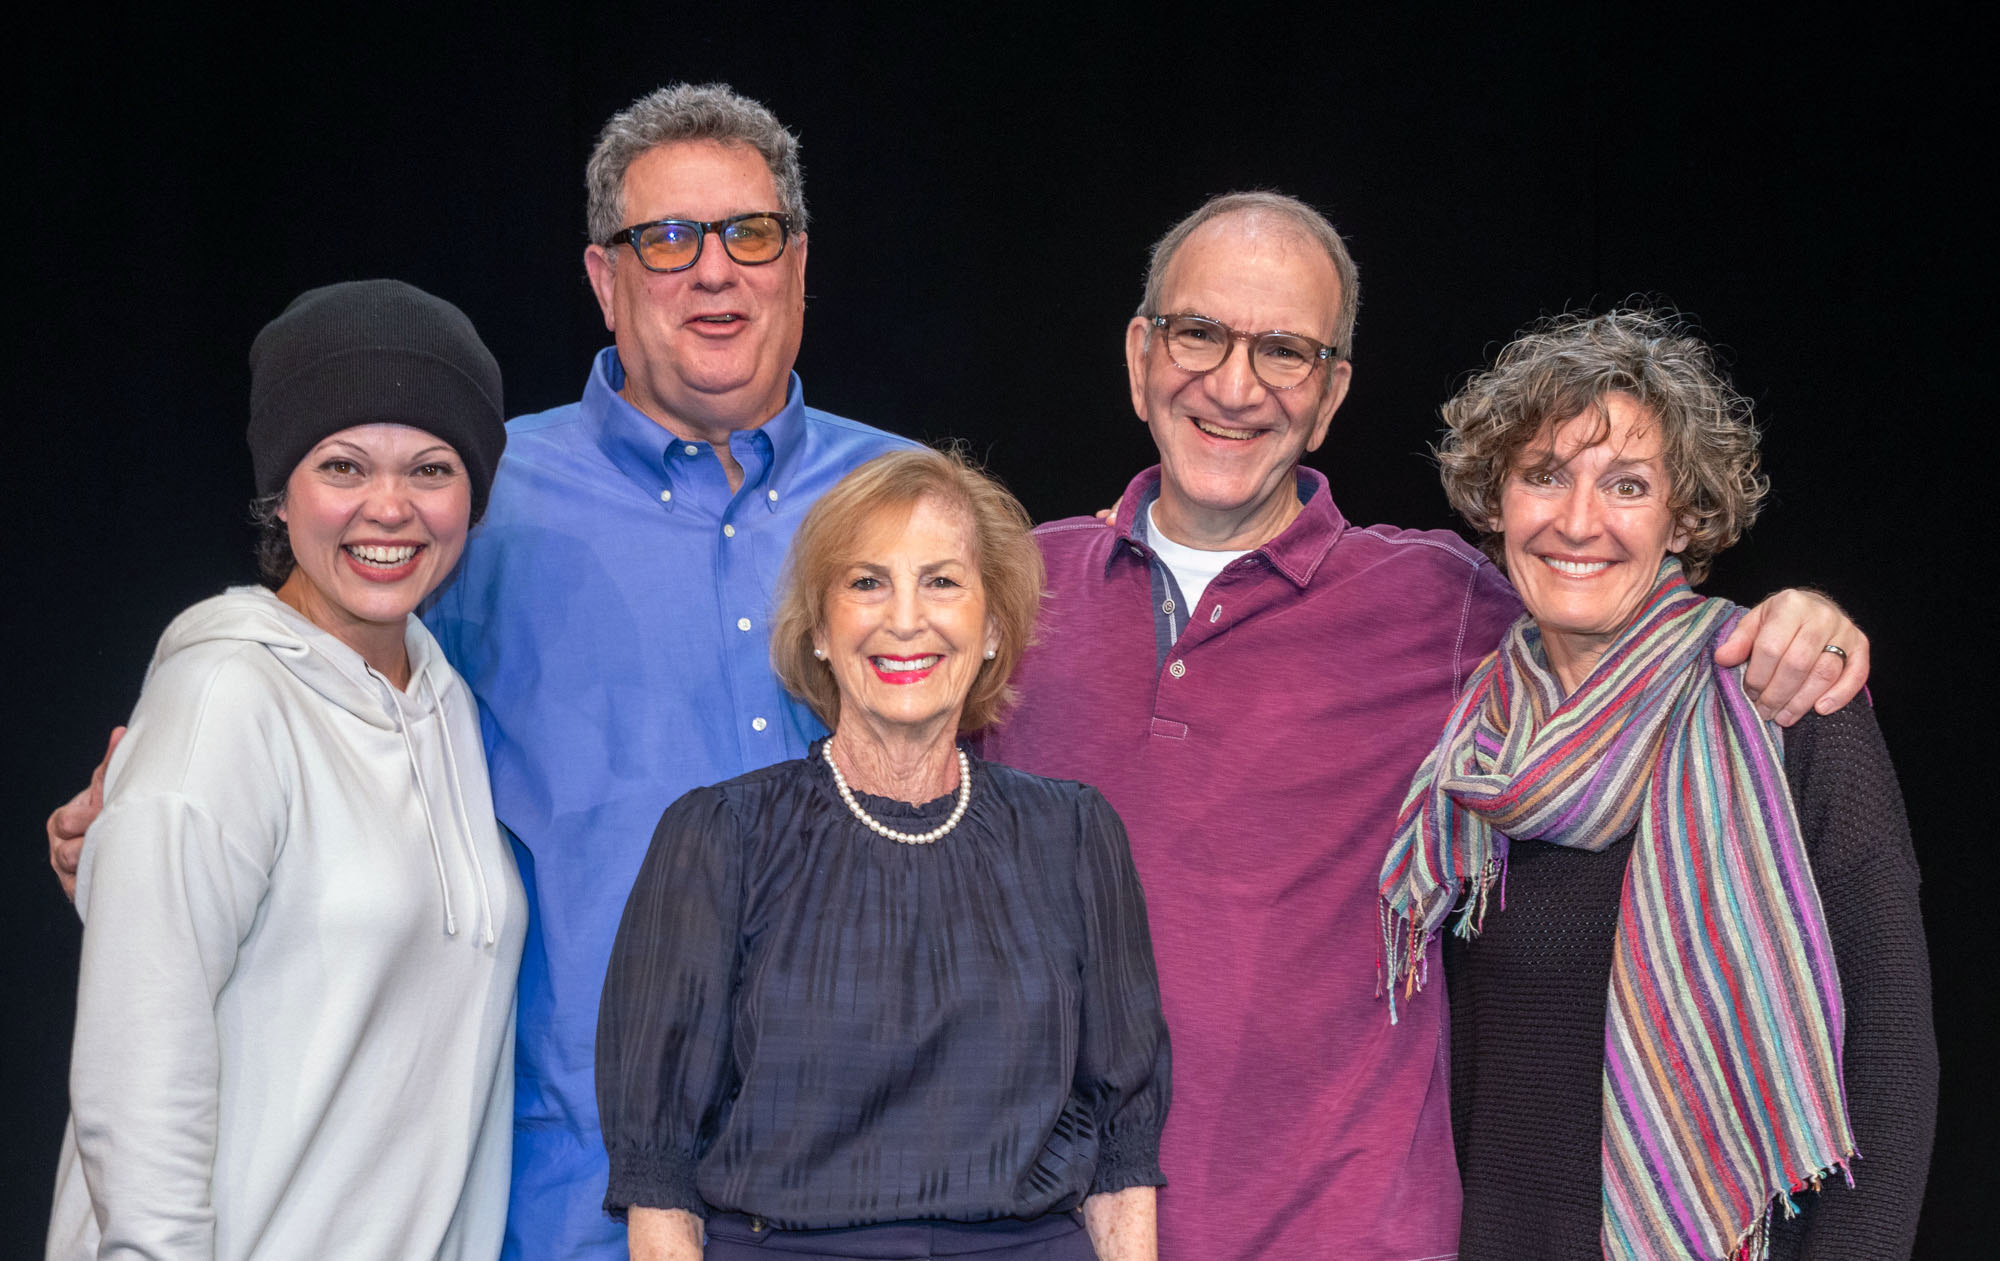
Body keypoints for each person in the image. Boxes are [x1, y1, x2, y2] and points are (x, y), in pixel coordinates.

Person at [43, 84, 916, 1259]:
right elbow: (304, 692)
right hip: (568, 1202)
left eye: (747, 233)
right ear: (605, 281)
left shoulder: (914, 510)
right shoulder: (486, 510)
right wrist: (149, 830)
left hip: (861, 1182)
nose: (712, 270)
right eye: (664, 238)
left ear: (798, 263)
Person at [978, 193, 1874, 1259]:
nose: (1232, 384)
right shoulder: (1005, 589)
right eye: (1198, 333)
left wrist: (1796, 620)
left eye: (1282, 351)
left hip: (1347, 1233)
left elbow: (1633, 632)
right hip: (1044, 1228)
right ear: (1139, 353)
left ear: (1329, 394)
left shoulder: (1442, 604)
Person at [1379, 310, 1935, 1260]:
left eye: (1627, 485)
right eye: (1543, 475)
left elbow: (1889, 1067)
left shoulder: (1784, 702)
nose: (1578, 520)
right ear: (1496, 500)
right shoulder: (1470, 746)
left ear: (1683, 518)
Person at [45, 279, 526, 1260]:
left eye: (430, 467)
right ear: (282, 491)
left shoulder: (447, 708)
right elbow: (138, 1069)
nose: (387, 507)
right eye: (342, 464)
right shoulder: (225, 699)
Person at [596, 448, 1170, 1261]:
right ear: (821, 630)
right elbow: (658, 1181)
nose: (906, 618)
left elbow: (1121, 1157)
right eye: (867, 582)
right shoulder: (720, 835)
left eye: (942, 581)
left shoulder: (1075, 835)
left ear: (994, 626)